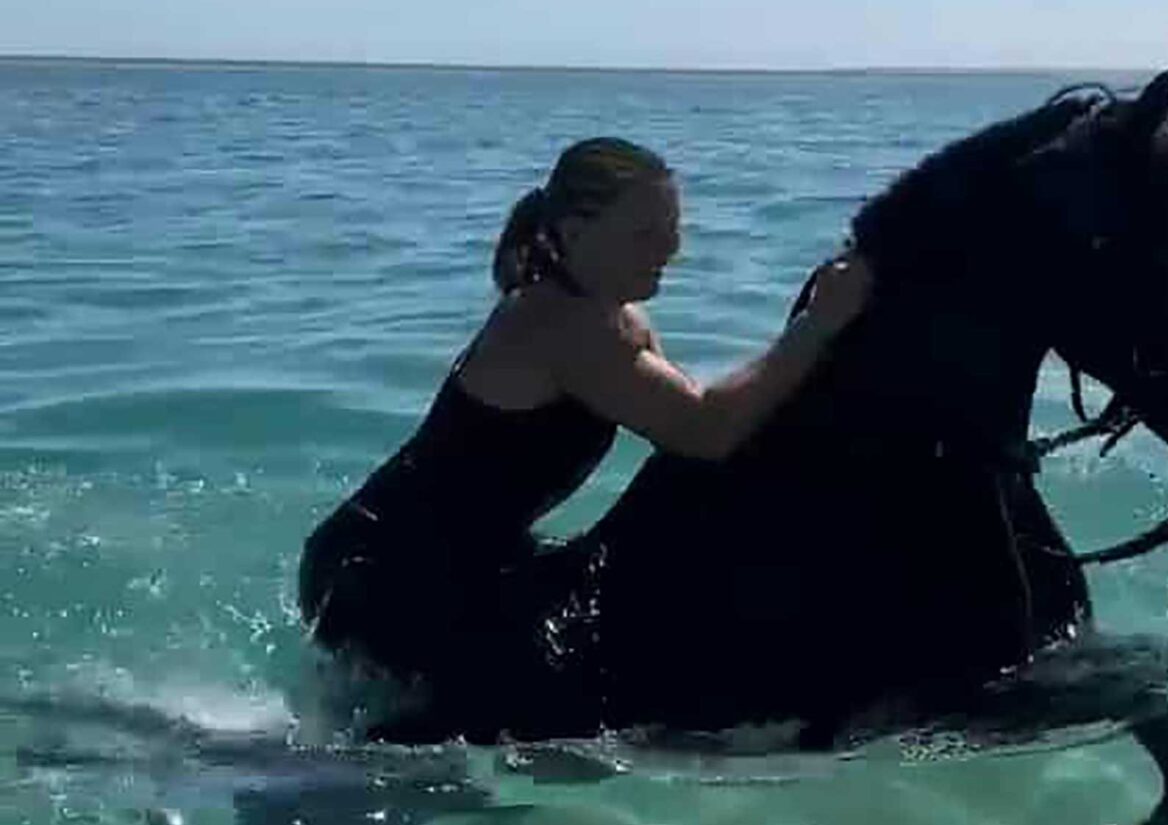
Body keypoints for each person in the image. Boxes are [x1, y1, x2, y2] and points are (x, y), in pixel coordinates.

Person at [298, 136, 871, 743]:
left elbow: (704, 427)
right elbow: (706, 432)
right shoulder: (555, 323)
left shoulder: (615, 321)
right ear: (572, 233)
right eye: (645, 233)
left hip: (465, 562)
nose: (670, 251)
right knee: (532, 727)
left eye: (673, 229)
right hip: (379, 575)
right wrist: (816, 325)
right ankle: (306, 762)